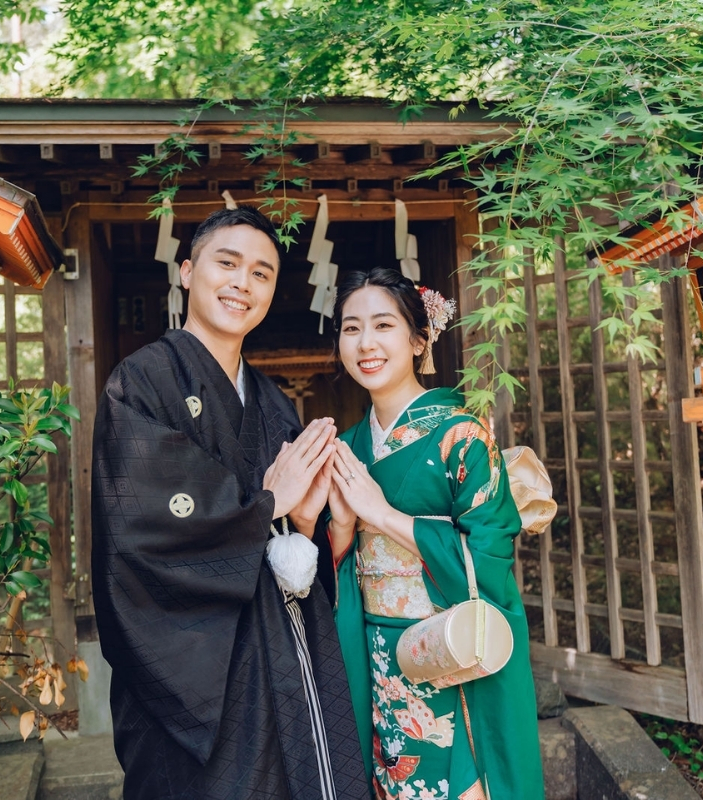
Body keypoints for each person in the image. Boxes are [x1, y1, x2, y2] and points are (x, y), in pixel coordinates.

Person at [90, 207, 368, 799]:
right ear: (188, 272)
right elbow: (139, 530)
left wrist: (310, 519)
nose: (244, 283)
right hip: (194, 666)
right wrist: (267, 503)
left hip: (282, 652)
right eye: (227, 263)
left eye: (262, 273)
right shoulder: (139, 384)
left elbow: (295, 542)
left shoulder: (271, 404)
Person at [324, 267, 544, 800]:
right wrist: (343, 527)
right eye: (351, 329)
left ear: (419, 340)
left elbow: (488, 556)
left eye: (383, 326)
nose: (366, 343)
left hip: (447, 645)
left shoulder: (462, 434)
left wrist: (379, 514)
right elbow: (336, 566)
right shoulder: (350, 444)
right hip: (378, 650)